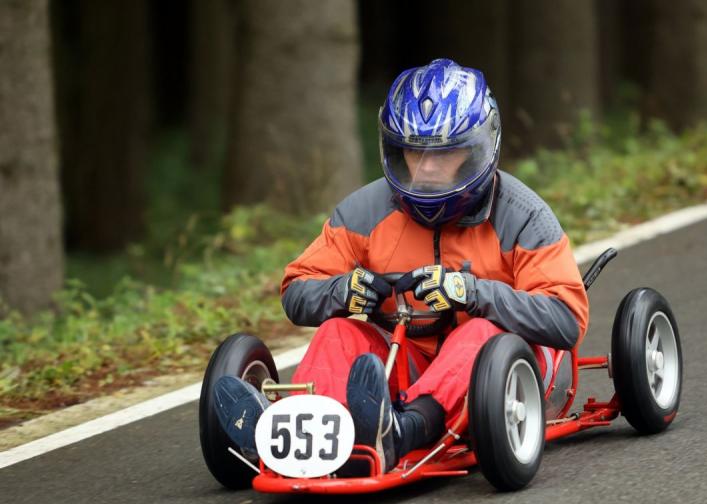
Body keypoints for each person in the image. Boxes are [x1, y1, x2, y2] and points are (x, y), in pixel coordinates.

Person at [214, 58, 589, 474]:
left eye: (445, 153)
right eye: (414, 152)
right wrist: (344, 291)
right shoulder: (364, 212)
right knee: (340, 331)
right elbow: (297, 289)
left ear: (478, 148)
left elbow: (566, 319)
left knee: (479, 333)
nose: (425, 169)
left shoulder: (524, 216)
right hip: (406, 366)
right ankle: (288, 432)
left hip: (504, 372)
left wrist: (472, 292)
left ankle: (404, 431)